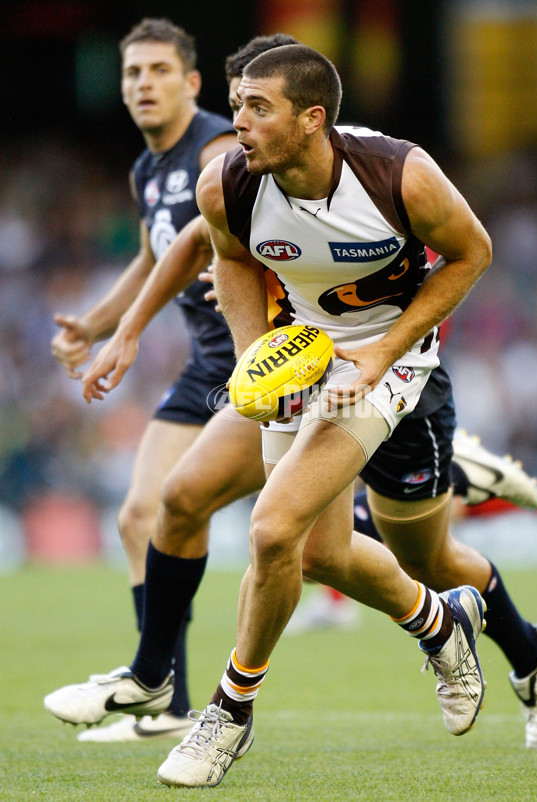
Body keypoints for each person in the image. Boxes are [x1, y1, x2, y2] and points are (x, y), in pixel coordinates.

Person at [44, 36, 537, 769]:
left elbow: (472, 253)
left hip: (394, 361)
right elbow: (228, 261)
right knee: (315, 550)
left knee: (281, 531)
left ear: (312, 119)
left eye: (258, 108)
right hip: (303, 357)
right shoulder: (227, 184)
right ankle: (442, 624)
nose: (238, 123)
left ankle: (228, 713)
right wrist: (255, 352)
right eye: (236, 107)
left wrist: (382, 354)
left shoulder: (399, 174)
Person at [50, 17, 241, 742]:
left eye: (159, 70)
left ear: (191, 82)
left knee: (343, 545)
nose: (143, 85)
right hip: (206, 366)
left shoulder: (217, 148)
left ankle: (508, 630)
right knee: (140, 515)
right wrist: (95, 325)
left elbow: (204, 247)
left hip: (266, 361)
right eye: (132, 74)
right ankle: (167, 702)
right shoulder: (147, 169)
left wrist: (125, 333)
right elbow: (150, 256)